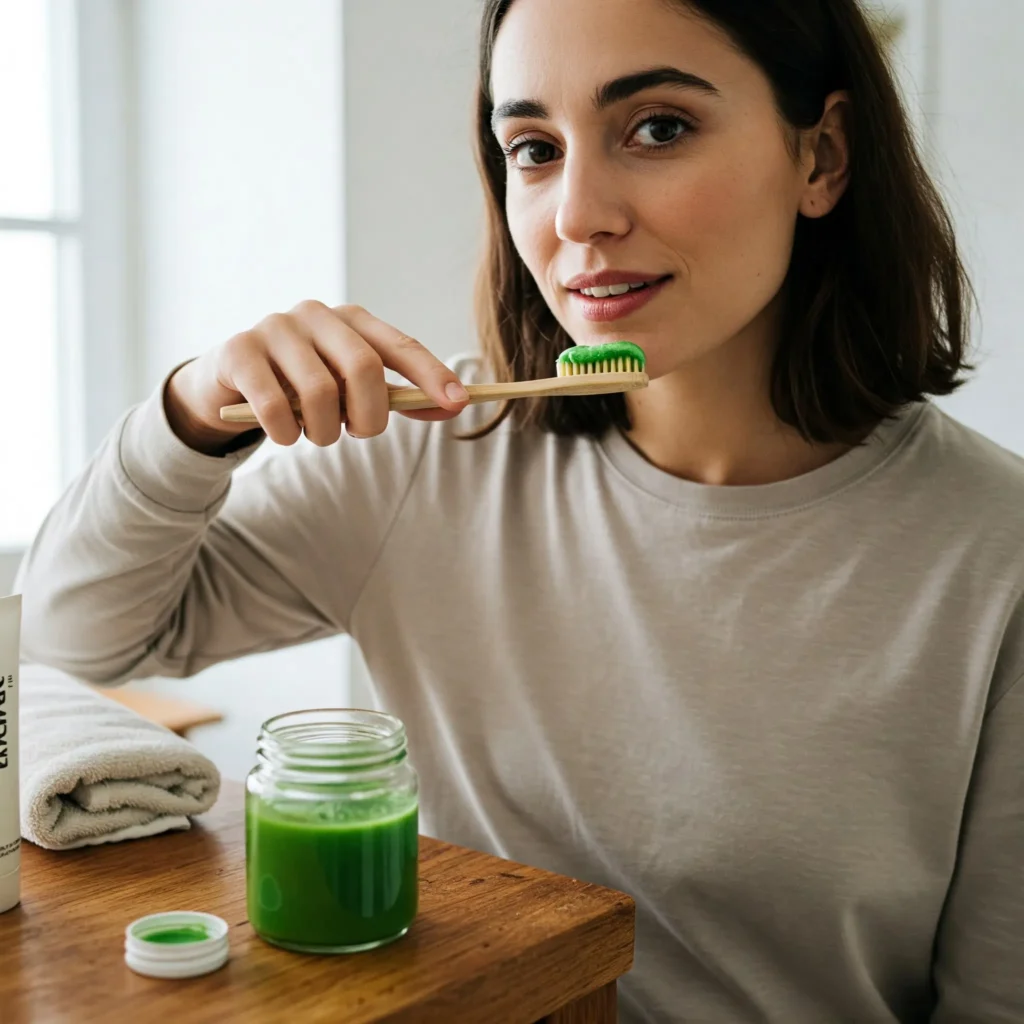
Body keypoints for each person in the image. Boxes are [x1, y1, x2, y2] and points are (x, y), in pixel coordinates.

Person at [18, 0, 1024, 1020]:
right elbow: (70, 644)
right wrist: (190, 418)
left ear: (823, 157)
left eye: (658, 127)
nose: (577, 214)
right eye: (533, 149)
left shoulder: (997, 553)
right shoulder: (423, 458)